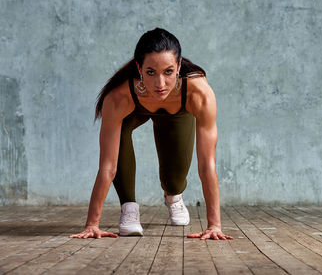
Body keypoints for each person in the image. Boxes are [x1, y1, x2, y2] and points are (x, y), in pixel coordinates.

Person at [69, 28, 233, 241]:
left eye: (168, 72)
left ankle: (173, 196)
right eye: (150, 73)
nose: (160, 84)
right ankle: (129, 208)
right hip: (134, 111)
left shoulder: (198, 93)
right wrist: (92, 224)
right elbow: (107, 166)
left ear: (179, 66)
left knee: (175, 180)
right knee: (118, 145)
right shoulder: (119, 97)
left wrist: (214, 225)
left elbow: (207, 164)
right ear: (139, 68)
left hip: (177, 112)